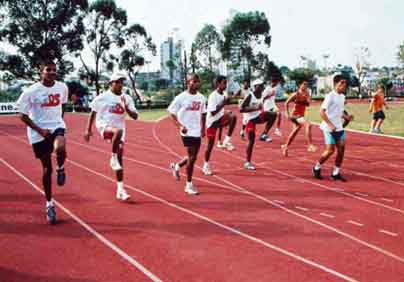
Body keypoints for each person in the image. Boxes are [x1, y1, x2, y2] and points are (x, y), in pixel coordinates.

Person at [16, 60, 68, 224]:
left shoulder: (62, 87)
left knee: (60, 147)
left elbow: (63, 105)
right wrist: (40, 130)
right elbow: (22, 115)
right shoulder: (31, 92)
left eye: (54, 70)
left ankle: (61, 167)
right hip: (38, 132)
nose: (52, 72)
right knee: (46, 169)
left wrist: (59, 122)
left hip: (56, 126)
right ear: (41, 72)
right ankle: (49, 204)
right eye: (48, 70)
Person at [84, 73, 138, 201]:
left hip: (120, 129)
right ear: (111, 83)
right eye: (117, 82)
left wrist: (126, 108)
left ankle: (120, 189)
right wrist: (88, 129)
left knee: (120, 160)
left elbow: (135, 116)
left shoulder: (127, 98)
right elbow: (93, 113)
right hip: (104, 125)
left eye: (122, 82)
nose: (120, 84)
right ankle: (112, 158)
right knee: (117, 133)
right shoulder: (102, 97)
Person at [169, 74, 207, 195]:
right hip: (186, 131)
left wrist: (203, 128)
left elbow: (204, 113)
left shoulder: (202, 98)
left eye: (198, 81)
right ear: (188, 82)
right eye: (194, 81)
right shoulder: (181, 97)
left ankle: (177, 166)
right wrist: (180, 126)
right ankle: (188, 185)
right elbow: (171, 113)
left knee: (193, 157)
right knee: (192, 157)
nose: (197, 84)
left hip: (197, 130)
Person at [312, 74, 354, 181]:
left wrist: (347, 117)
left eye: (345, 83)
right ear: (336, 84)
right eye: (341, 83)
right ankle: (316, 166)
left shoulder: (342, 97)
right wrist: (330, 124)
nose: (344, 85)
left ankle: (336, 173)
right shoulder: (330, 96)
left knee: (341, 150)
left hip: (339, 128)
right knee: (330, 151)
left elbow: (339, 112)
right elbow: (321, 112)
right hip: (328, 128)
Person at [203, 75, 237, 175]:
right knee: (210, 145)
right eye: (224, 83)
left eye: (226, 83)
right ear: (218, 84)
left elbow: (227, 102)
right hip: (212, 122)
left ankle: (226, 141)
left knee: (232, 116)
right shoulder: (213, 96)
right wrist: (224, 102)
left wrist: (232, 97)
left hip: (220, 118)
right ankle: (206, 165)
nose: (225, 85)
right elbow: (213, 112)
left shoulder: (224, 93)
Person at [240, 79, 277, 170]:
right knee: (251, 140)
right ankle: (247, 163)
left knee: (273, 114)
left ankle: (264, 134)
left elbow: (264, 100)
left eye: (262, 85)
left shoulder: (261, 94)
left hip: (258, 116)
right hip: (250, 120)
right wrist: (255, 107)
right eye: (260, 85)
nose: (262, 87)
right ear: (255, 86)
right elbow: (241, 109)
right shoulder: (250, 95)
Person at [281, 79, 317, 157]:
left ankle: (285, 146)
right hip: (295, 115)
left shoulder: (307, 94)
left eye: (306, 84)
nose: (305, 86)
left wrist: (308, 99)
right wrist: (287, 114)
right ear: (300, 85)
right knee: (308, 125)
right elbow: (286, 103)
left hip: (301, 115)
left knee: (295, 131)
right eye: (304, 84)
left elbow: (308, 104)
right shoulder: (296, 94)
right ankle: (310, 145)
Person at [259, 77, 283, 142]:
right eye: (276, 83)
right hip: (267, 106)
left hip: (273, 105)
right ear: (273, 82)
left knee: (279, 114)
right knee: (270, 120)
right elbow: (263, 98)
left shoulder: (274, 88)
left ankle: (277, 129)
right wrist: (270, 95)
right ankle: (264, 134)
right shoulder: (267, 89)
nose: (277, 84)